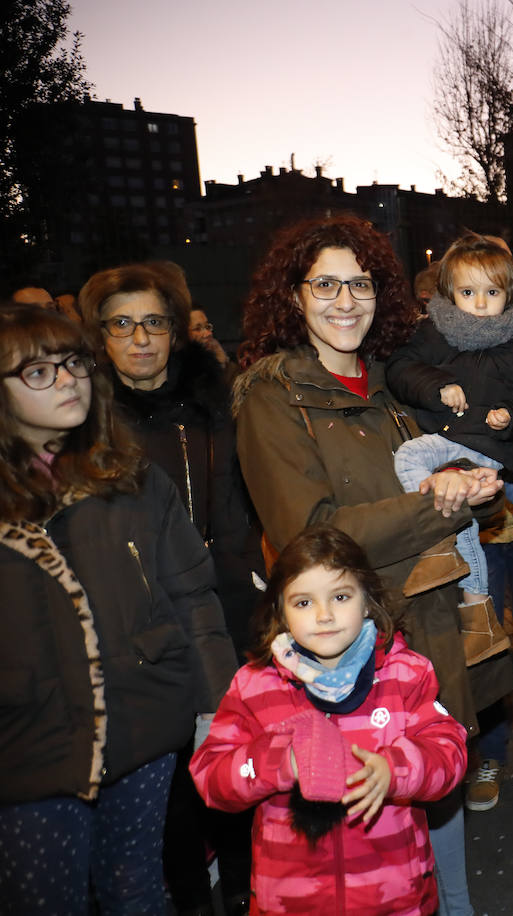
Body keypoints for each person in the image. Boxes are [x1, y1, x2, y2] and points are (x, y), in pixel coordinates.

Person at [232, 214, 510, 916]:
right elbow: (308, 535)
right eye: (325, 283)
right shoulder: (274, 397)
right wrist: (438, 505)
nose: (345, 300)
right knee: (354, 849)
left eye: (360, 283)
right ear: (292, 297)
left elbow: (437, 485)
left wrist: (472, 488)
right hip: (341, 646)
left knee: (431, 807)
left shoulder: (392, 391)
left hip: (426, 623)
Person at [0, 305, 237, 913]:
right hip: (30, 749)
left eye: (74, 363)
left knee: (137, 887)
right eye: (38, 372)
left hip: (142, 727)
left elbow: (191, 595)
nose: (67, 380)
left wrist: (216, 708)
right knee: (47, 901)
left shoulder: (131, 478)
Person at [79, 261, 264, 915]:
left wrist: (244, 569)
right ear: (99, 335)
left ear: (176, 330)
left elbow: (240, 497)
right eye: (122, 324)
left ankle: (245, 887)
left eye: (153, 322)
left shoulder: (216, 398)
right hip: (140, 620)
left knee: (235, 756)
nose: (139, 338)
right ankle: (190, 895)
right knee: (168, 784)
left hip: (226, 603)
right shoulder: (88, 422)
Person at [190, 525, 468, 915]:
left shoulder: (404, 673)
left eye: (340, 596)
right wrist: (278, 763)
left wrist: (396, 769)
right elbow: (210, 777)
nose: (324, 615)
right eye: (303, 603)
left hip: (392, 898)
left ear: (367, 601)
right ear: (280, 612)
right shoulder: (255, 686)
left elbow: (449, 751)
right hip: (291, 903)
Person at [386, 231, 513, 811]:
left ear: (510, 288)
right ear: (450, 293)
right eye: (470, 291)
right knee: (480, 629)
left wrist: (511, 415)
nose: (482, 302)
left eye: (493, 290)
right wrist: (440, 390)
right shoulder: (433, 335)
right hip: (466, 506)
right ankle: (485, 754)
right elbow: (402, 372)